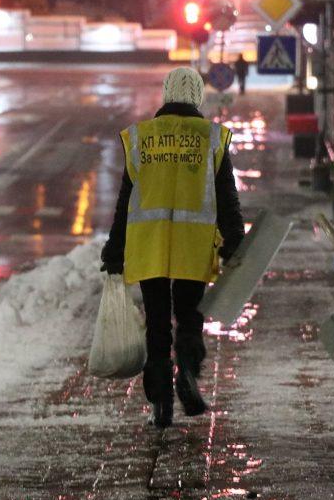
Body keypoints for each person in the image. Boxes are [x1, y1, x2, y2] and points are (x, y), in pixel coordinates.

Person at [101, 66, 245, 429]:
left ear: (167, 94)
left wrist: (114, 250)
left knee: (157, 325)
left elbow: (125, 200)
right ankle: (189, 369)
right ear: (198, 96)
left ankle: (161, 401)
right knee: (189, 317)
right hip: (193, 248)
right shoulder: (211, 138)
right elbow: (227, 199)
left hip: (149, 245)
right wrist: (235, 244)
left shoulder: (141, 137)